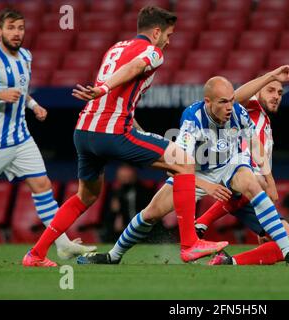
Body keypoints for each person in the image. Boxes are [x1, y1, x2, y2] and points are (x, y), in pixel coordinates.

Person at [22, 6, 228, 267]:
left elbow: (122, 99)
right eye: (169, 34)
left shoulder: (115, 48)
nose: (169, 40)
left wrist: (108, 96)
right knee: (184, 160)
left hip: (84, 132)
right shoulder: (153, 52)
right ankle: (189, 244)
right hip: (112, 132)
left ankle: (36, 254)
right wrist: (104, 88)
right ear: (156, 32)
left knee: (85, 196)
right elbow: (135, 66)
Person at [77, 69, 289, 267]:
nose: (230, 107)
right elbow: (175, 166)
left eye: (231, 100)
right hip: (196, 171)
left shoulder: (239, 112)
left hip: (230, 165)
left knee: (252, 184)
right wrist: (207, 185)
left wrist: (269, 178)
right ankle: (113, 256)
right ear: (208, 102)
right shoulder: (192, 119)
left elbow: (254, 143)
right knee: (151, 213)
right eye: (223, 102)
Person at [0, 8, 95, 259]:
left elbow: (21, 90)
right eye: (11, 28)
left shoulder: (26, 56)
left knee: (42, 185)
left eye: (20, 28)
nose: (16, 33)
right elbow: (6, 92)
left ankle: (62, 243)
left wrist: (33, 105)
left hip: (22, 138)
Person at [194, 72, 289, 266]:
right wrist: (270, 75)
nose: (276, 96)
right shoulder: (248, 108)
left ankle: (226, 261)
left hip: (244, 194)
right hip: (239, 183)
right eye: (270, 90)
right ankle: (201, 224)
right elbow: (235, 97)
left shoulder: (265, 121)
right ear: (257, 91)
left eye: (280, 93)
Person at [102, 164, 155, 242]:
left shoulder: (145, 192)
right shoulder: (113, 193)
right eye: (123, 178)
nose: (126, 181)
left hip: (142, 230)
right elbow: (106, 216)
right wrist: (115, 213)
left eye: (129, 178)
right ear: (118, 178)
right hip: (118, 232)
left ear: (135, 177)